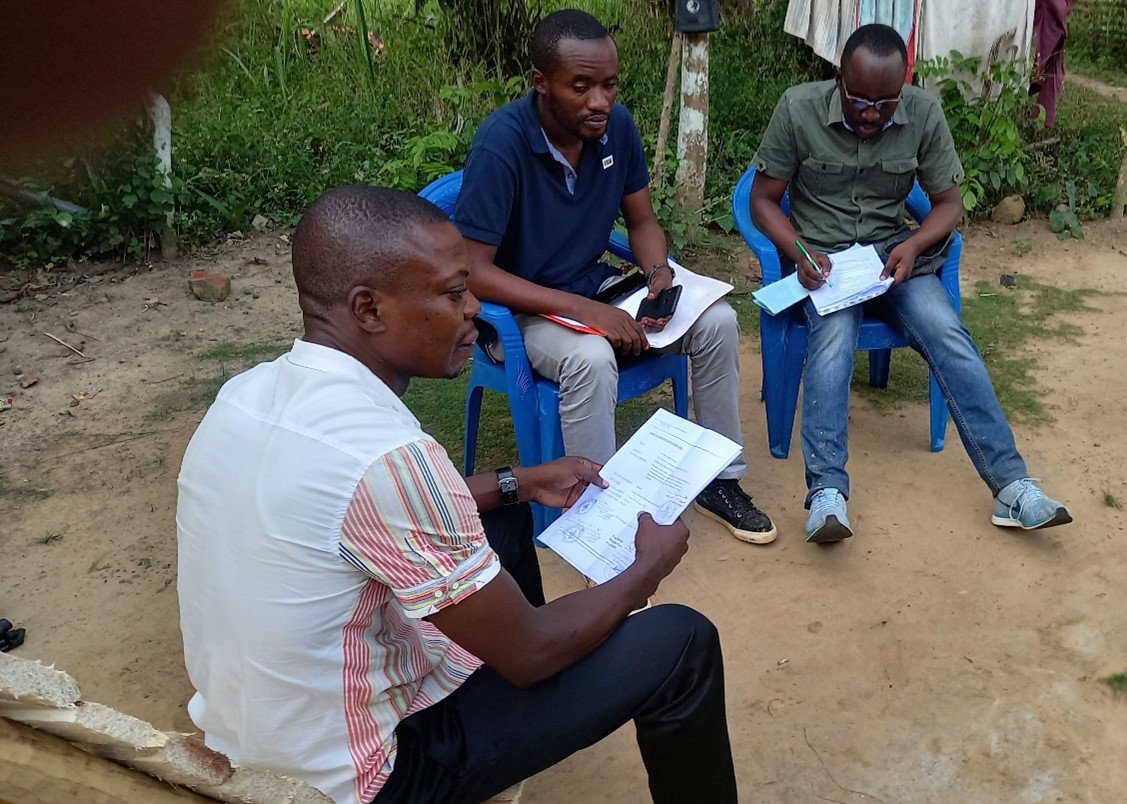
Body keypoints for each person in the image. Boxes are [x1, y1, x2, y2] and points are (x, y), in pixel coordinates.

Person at [176, 185, 738, 804]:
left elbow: (349, 516)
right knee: (681, 642)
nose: (474, 307)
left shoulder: (247, 393)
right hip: (363, 779)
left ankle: (504, 690)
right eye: (452, 292)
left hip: (256, 736)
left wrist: (517, 481)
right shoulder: (388, 455)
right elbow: (530, 652)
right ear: (369, 309)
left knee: (505, 517)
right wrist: (644, 569)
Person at [453, 9, 777, 545]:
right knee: (591, 356)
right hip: (518, 313)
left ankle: (721, 480)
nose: (599, 101)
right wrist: (588, 314)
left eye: (608, 84)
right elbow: (474, 272)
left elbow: (643, 220)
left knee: (716, 320)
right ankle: (604, 516)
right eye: (580, 87)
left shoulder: (615, 128)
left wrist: (657, 271)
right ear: (541, 84)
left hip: (594, 288)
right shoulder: (502, 144)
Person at [749, 24, 1073, 543]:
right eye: (859, 101)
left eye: (886, 102)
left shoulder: (923, 112)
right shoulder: (797, 107)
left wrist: (916, 244)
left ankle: (1013, 488)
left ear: (904, 86)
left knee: (948, 334)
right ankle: (827, 495)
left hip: (893, 260)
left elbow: (949, 203)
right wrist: (798, 251)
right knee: (832, 343)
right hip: (826, 264)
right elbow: (762, 200)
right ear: (838, 79)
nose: (873, 114)